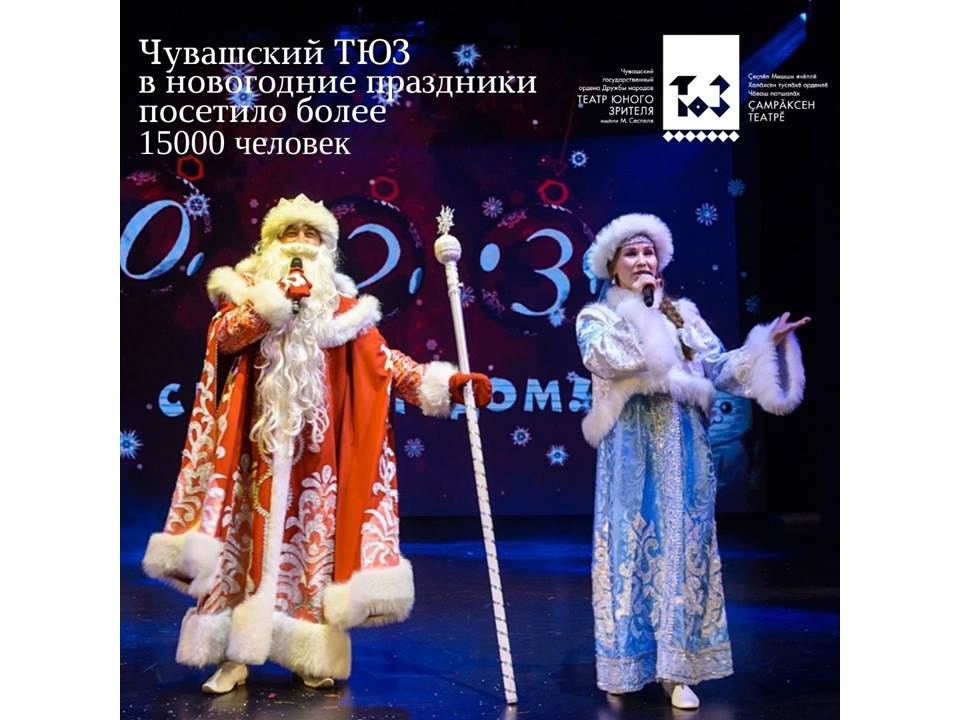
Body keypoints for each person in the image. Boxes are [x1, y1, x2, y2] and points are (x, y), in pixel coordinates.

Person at [142, 194, 492, 693]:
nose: (301, 243)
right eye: (291, 234)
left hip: (316, 456)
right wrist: (276, 305)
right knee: (239, 547)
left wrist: (448, 386)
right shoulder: (243, 294)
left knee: (310, 553)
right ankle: (232, 657)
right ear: (270, 244)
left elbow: (387, 365)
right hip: (251, 450)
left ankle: (306, 652)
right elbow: (224, 340)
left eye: (312, 235)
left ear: (327, 250)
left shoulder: (346, 313)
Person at [575, 213, 809, 709]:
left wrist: (765, 344)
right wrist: (646, 312)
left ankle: (678, 671)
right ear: (613, 268)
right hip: (632, 450)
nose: (642, 260)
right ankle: (624, 664)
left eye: (649, 252)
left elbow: (719, 368)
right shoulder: (597, 318)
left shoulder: (684, 316)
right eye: (631, 254)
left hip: (685, 448)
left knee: (683, 551)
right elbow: (608, 358)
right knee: (630, 549)